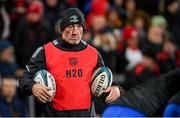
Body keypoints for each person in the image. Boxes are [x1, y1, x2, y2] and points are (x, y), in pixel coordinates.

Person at [19, 8, 122, 117]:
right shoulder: (45, 51)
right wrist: (33, 87)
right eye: (71, 26)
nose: (75, 32)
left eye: (79, 27)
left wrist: (115, 88)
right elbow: (24, 78)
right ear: (62, 29)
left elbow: (104, 79)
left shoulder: (93, 53)